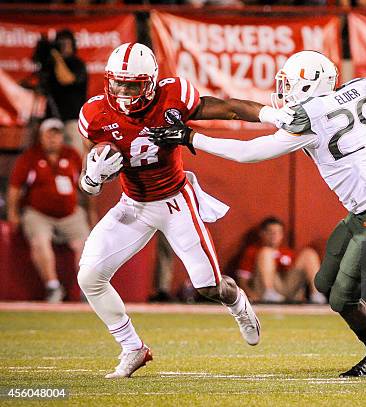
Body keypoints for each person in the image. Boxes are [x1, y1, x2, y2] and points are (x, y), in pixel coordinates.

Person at [148, 50, 366, 377]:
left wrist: (193, 137)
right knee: (326, 283)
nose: (285, 90)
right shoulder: (354, 93)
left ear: (309, 85)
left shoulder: (313, 115)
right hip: (363, 211)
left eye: (291, 83)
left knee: (343, 296)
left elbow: (249, 152)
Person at [76, 42, 293, 379]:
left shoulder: (172, 95)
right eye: (118, 82)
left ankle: (237, 302)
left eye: (132, 84)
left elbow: (229, 108)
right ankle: (132, 347)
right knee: (89, 276)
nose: (123, 90)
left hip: (175, 199)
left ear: (149, 82)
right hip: (133, 204)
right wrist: (91, 178)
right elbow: (91, 173)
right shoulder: (95, 114)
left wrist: (270, 114)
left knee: (208, 288)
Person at [7, 118, 93, 303]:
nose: (53, 138)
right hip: (38, 213)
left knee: (87, 246)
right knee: (40, 241)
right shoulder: (30, 157)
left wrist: (90, 212)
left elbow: (85, 186)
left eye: (57, 134)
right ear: (41, 137)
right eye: (49, 134)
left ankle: (88, 289)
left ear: (62, 137)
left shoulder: (71, 155)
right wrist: (12, 213)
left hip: (70, 213)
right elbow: (14, 188)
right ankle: (53, 287)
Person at [237, 217, 325, 304]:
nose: (274, 236)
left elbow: (297, 276)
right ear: (262, 233)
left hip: (286, 289)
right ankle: (269, 293)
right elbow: (242, 280)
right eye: (271, 232)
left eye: (278, 232)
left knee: (309, 253)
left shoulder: (287, 252)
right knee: (266, 252)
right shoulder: (252, 251)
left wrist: (301, 295)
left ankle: (316, 294)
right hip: (262, 290)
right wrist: (252, 297)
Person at [33, 29, 88, 154]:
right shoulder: (51, 65)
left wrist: (56, 56)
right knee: (51, 154)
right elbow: (41, 87)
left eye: (66, 43)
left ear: (73, 44)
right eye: (60, 43)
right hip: (52, 119)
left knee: (75, 155)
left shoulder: (77, 64)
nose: (63, 46)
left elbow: (66, 79)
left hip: (72, 118)